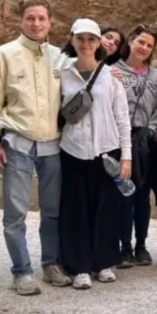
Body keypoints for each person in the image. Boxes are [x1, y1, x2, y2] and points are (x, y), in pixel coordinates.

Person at [0, 0, 68, 295]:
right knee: (15, 213)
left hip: (53, 144)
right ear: (21, 21)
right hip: (17, 143)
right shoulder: (3, 55)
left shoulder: (59, 58)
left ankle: (51, 264)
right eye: (30, 18)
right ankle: (21, 271)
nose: (36, 24)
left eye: (42, 18)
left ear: (50, 22)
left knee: (52, 210)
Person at [57, 19, 132, 289]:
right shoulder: (61, 74)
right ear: (73, 40)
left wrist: (127, 157)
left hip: (106, 148)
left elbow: (122, 118)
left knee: (106, 208)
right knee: (75, 209)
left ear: (99, 43)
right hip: (72, 149)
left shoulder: (110, 77)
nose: (86, 44)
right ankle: (79, 267)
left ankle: (104, 262)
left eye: (91, 39)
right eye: (81, 38)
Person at [114, 24, 157, 267]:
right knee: (124, 193)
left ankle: (141, 245)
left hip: (146, 140)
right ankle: (124, 246)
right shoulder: (113, 71)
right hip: (120, 139)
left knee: (143, 195)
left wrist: (152, 130)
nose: (143, 47)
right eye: (140, 42)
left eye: (149, 45)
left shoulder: (156, 77)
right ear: (131, 41)